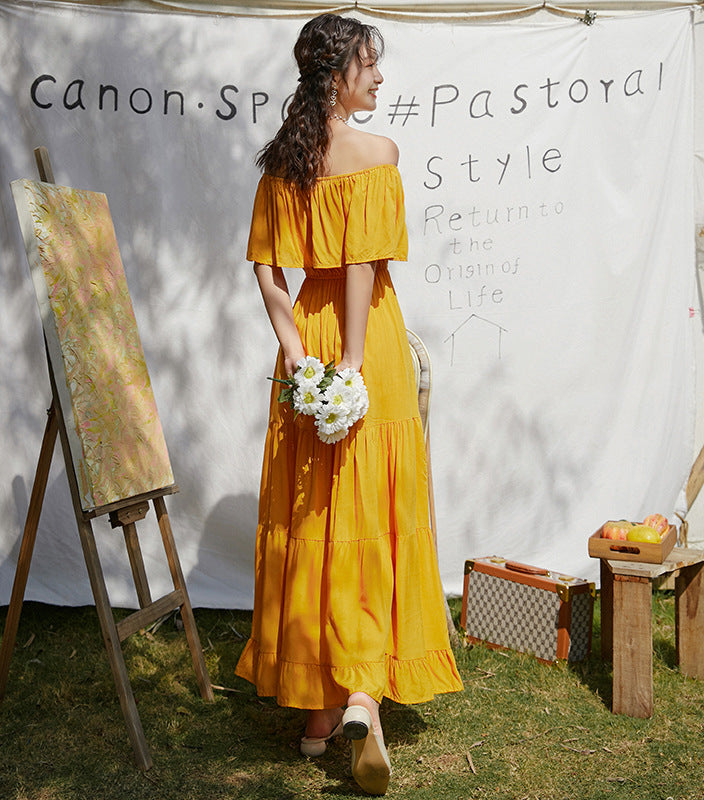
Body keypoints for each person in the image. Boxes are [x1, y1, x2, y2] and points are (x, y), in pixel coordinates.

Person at [234, 13, 463, 796]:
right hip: (370, 344)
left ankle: (316, 713)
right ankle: (364, 691)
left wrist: (302, 361)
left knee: (315, 515)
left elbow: (268, 272)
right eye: (370, 64)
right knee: (371, 509)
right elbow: (363, 265)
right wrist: (355, 366)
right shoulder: (378, 154)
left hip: (308, 339)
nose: (380, 77)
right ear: (338, 71)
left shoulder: (283, 164)